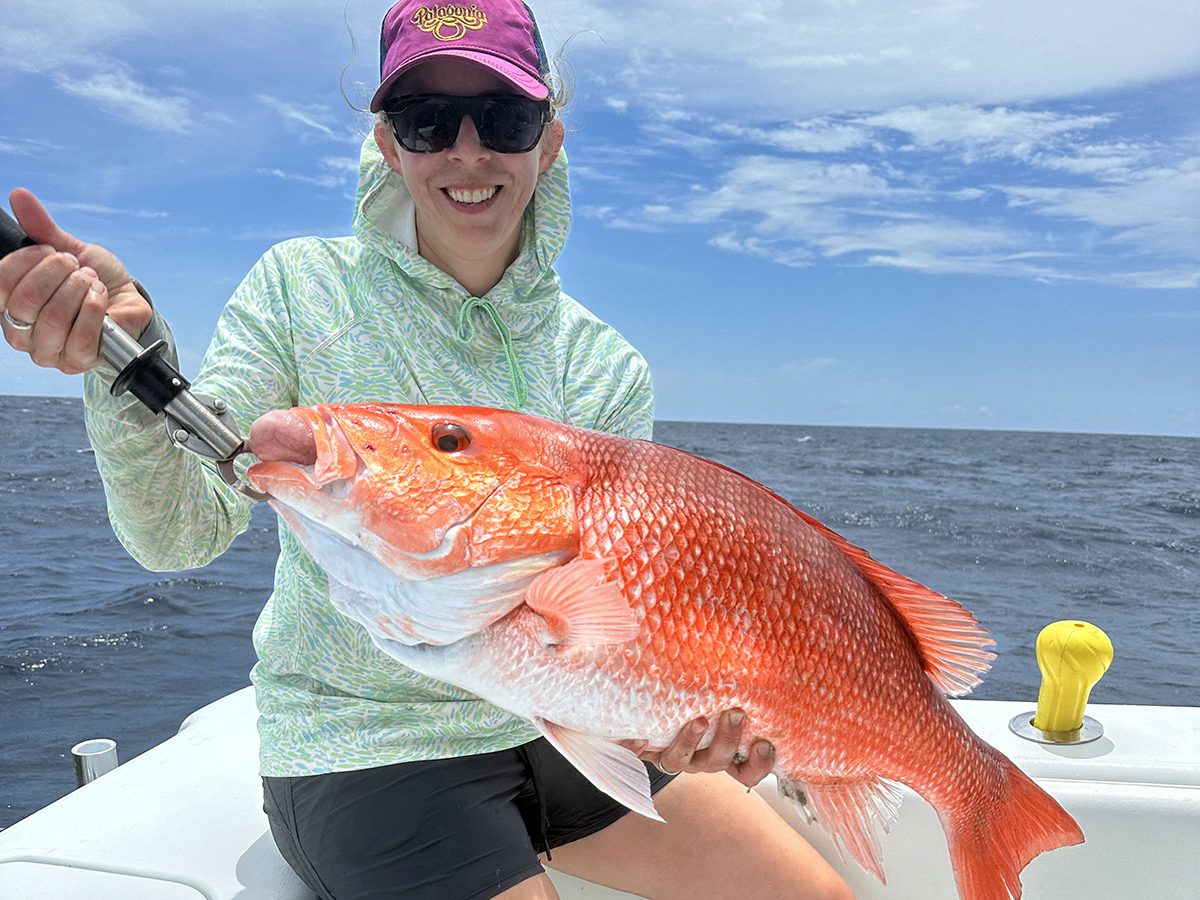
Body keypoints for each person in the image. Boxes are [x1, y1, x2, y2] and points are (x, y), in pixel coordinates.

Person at [0, 2, 853, 898]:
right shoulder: (298, 289)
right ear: (389, 144)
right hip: (365, 748)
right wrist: (124, 368)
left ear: (547, 143)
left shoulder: (605, 367)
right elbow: (176, 537)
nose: (468, 150)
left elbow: (610, 618)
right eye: (428, 121)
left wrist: (680, 717)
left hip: (555, 724)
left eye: (507, 119)